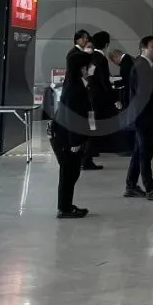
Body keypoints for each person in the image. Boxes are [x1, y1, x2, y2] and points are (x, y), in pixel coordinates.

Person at [124, 36, 153, 201]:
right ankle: (150, 188)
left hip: (147, 115)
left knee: (139, 151)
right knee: (145, 153)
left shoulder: (151, 65)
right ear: (143, 48)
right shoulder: (141, 66)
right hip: (143, 116)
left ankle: (131, 186)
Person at [50, 46, 93, 218]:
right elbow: (71, 117)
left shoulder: (77, 84)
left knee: (72, 172)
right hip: (66, 137)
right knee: (69, 173)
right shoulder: (74, 88)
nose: (92, 68)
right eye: (89, 66)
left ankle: (66, 205)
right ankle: (64, 209)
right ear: (82, 68)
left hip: (68, 135)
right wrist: (75, 141)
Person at [82, 31, 117, 170]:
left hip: (89, 97)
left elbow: (89, 76)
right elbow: (104, 81)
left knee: (91, 126)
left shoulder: (91, 57)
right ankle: (86, 159)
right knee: (94, 128)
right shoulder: (101, 59)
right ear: (107, 44)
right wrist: (115, 98)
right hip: (98, 99)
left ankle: (86, 156)